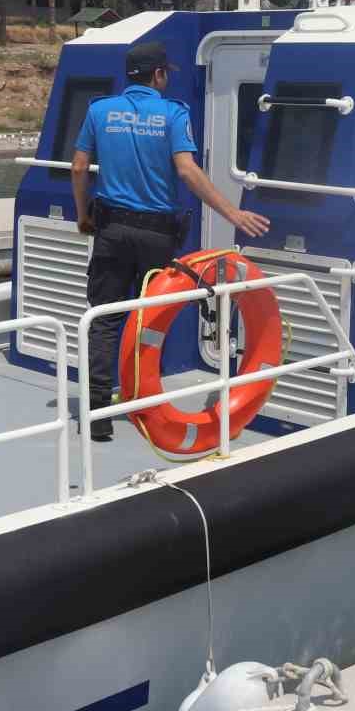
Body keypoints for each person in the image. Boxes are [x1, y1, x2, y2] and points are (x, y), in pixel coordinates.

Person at [70, 40, 270, 442]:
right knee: (149, 321)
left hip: (110, 230)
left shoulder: (99, 111)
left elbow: (78, 168)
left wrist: (83, 215)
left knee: (106, 319)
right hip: (156, 234)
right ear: (158, 74)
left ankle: (97, 414)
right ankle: (144, 405)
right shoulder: (172, 114)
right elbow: (186, 171)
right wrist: (232, 213)